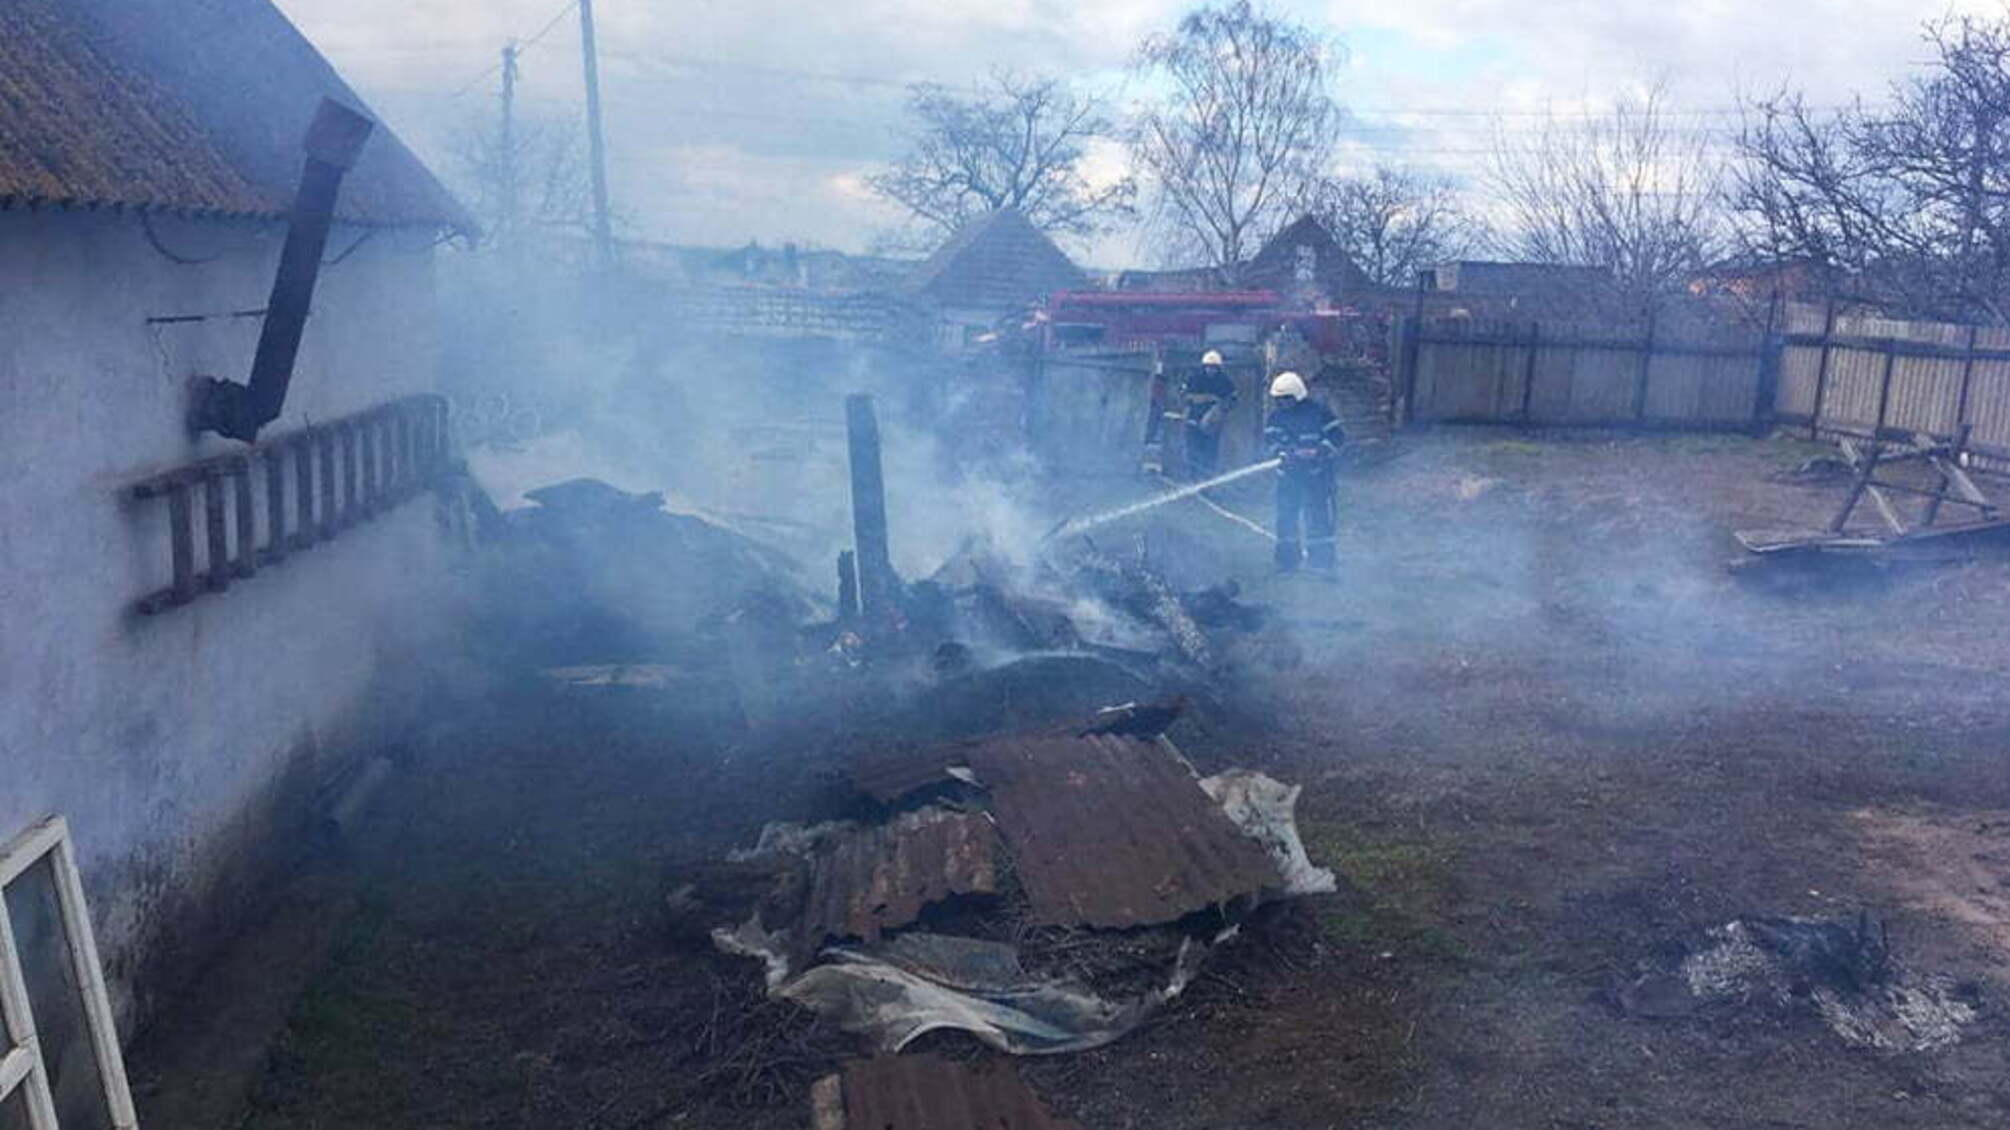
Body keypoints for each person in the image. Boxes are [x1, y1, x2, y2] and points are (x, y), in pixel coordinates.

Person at [1263, 371, 1343, 574]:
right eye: (1278, 400)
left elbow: (1337, 436)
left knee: (1318, 517)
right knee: (1286, 518)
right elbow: (1269, 442)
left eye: (1285, 399)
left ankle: (1321, 563)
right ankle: (1287, 562)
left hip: (1316, 477)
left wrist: (1319, 451)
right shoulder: (1275, 417)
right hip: (1288, 478)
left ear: (1297, 395)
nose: (1281, 404)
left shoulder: (1319, 412)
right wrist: (1283, 452)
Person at [1180, 349, 1237, 479]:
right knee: (1193, 450)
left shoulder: (1224, 381)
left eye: (1214, 368)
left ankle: (1208, 481)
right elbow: (1184, 396)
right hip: (1193, 420)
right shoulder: (1194, 378)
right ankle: (1193, 478)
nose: (1211, 370)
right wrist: (1208, 398)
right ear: (1204, 367)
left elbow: (1233, 399)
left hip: (1212, 425)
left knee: (1210, 453)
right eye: (1208, 367)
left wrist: (1221, 408)